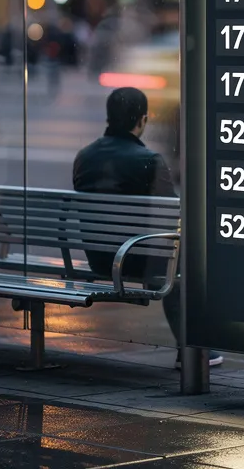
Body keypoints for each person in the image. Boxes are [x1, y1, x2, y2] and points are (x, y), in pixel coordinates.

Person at [73, 87, 222, 369]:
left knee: (174, 259)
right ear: (142, 119)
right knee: (183, 262)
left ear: (109, 117)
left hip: (99, 258)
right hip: (137, 260)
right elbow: (173, 215)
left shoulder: (84, 156)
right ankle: (192, 349)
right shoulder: (148, 160)